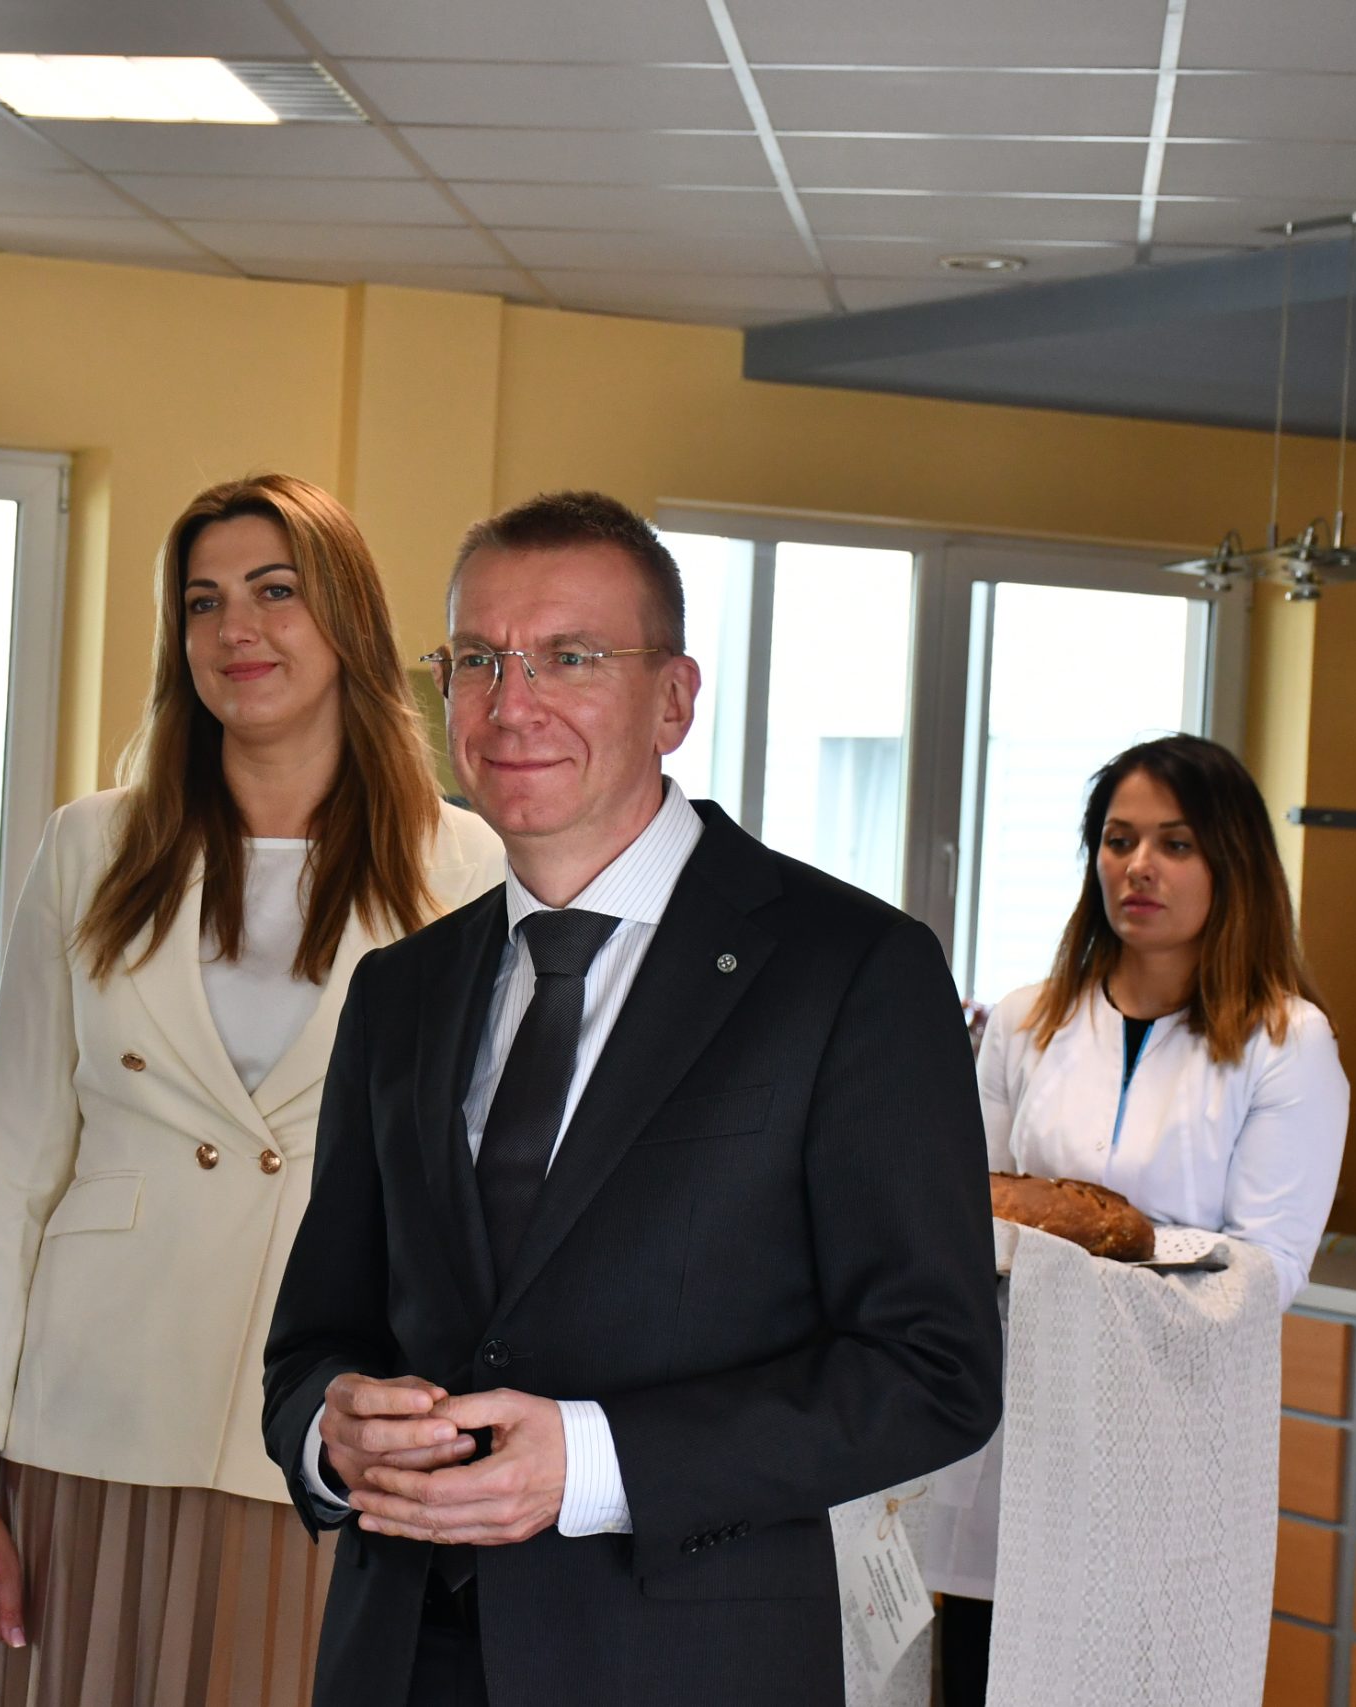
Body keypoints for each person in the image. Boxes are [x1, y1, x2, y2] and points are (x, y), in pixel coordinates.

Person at [261, 490, 1003, 1707]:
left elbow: (934, 1371)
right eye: (476, 661)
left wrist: (592, 1463)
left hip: (681, 1661)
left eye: (571, 657)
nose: (512, 705)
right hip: (396, 1657)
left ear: (673, 699)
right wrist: (326, 1436)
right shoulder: (400, 991)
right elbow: (314, 1338)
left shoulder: (851, 970)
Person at [0, 474, 504, 1706]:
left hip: (319, 1431)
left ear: (346, 619)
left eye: (273, 591)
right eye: (202, 602)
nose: (235, 629)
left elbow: (476, 1188)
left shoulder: (463, 864)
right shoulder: (91, 846)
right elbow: (11, 1174)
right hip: (92, 1417)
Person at [952, 733, 1349, 1703]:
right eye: (1118, 839)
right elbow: (967, 1206)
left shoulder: (1286, 1041)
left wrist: (1071, 1268)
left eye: (1175, 843)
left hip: (1167, 1431)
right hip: (1012, 1411)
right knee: (984, 1661)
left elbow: (1267, 1269)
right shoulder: (1026, 1020)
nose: (1138, 866)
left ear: (1231, 863)